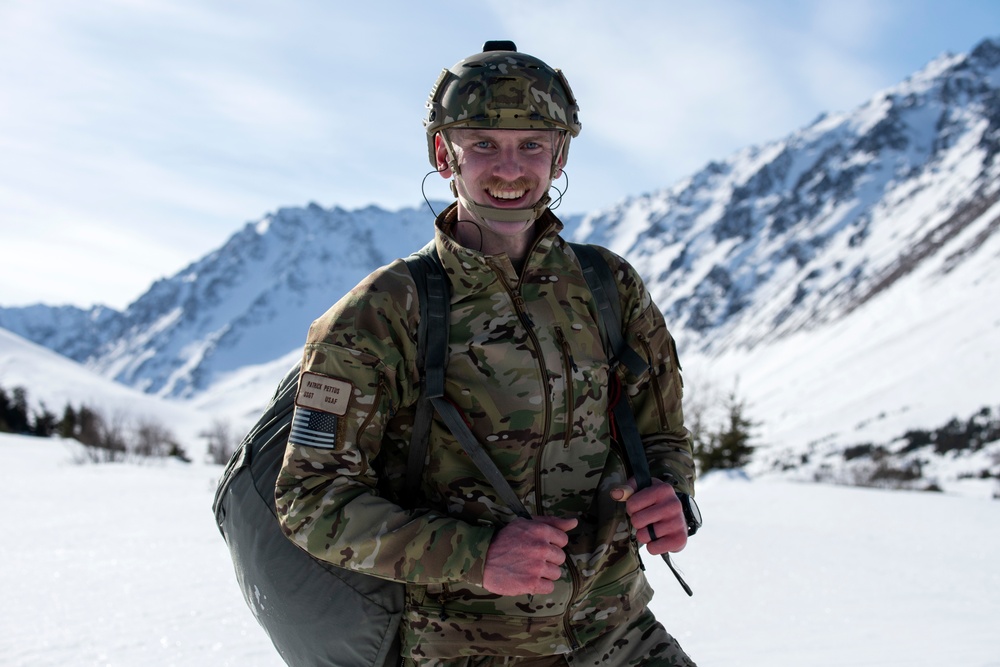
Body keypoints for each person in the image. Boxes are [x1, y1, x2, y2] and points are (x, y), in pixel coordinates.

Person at [274, 41, 698, 666]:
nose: (509, 170)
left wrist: (671, 493)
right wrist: (478, 555)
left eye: (531, 145)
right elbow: (310, 501)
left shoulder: (609, 286)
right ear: (444, 154)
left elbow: (662, 434)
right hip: (468, 648)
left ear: (559, 155)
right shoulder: (385, 311)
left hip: (620, 630)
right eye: (483, 146)